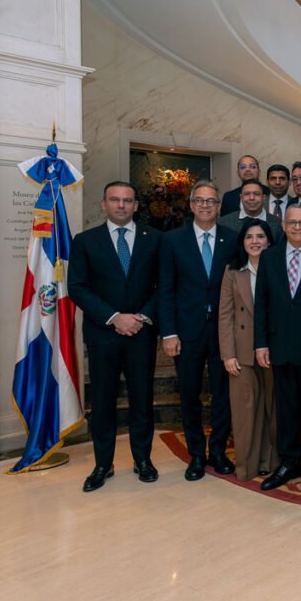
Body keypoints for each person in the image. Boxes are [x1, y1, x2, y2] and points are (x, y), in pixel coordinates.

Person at [70, 181, 162, 492]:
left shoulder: (155, 239)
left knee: (142, 399)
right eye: (115, 200)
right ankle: (102, 464)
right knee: (102, 401)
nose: (121, 205)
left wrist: (141, 317)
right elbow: (77, 287)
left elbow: (164, 285)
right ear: (103, 204)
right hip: (102, 335)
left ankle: (143, 459)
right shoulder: (85, 241)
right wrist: (114, 317)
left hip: (141, 332)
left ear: (136, 205)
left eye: (127, 200)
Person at [159, 181, 238, 481]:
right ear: (192, 205)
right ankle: (195, 454)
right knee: (189, 394)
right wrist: (168, 333)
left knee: (223, 394)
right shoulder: (172, 240)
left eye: (211, 201)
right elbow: (165, 289)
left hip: (223, 331)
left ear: (219, 206)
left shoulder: (232, 239)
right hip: (186, 331)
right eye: (200, 201)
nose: (206, 206)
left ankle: (217, 450)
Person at [253, 205, 301, 493]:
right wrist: (261, 343)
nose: (297, 227)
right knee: (285, 408)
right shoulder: (270, 257)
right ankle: (289, 462)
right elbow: (262, 303)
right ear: (283, 226)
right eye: (292, 223)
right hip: (280, 345)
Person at [218, 219, 279, 482]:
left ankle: (271, 461)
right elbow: (225, 315)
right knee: (245, 411)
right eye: (249, 237)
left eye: (260, 236)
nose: (255, 241)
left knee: (272, 409)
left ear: (269, 241)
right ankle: (246, 466)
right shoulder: (232, 271)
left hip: (273, 350)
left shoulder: (279, 267)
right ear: (242, 242)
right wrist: (228, 354)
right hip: (241, 353)